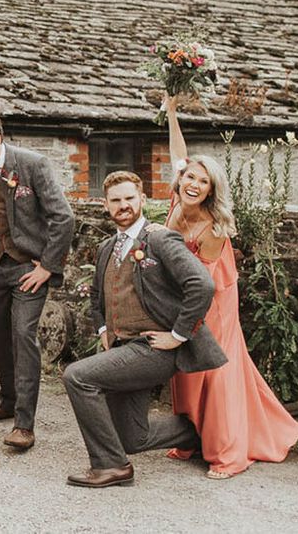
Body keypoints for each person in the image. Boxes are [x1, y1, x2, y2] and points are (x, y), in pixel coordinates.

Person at [163, 97, 298, 479]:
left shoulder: (213, 227)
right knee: (184, 370)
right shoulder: (178, 198)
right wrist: (171, 111)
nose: (193, 183)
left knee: (214, 367)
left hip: (213, 300)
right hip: (185, 294)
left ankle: (229, 454)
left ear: (211, 190)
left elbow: (201, 282)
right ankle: (189, 438)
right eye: (189, 177)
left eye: (202, 181)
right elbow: (180, 152)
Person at [63, 170, 226, 488]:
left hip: (154, 349)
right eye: (116, 200)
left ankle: (111, 466)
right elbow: (98, 297)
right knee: (132, 438)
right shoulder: (107, 247)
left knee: (78, 376)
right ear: (105, 205)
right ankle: (195, 433)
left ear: (142, 200)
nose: (123, 205)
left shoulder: (160, 238)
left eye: (129, 198)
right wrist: (102, 331)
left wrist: (178, 335)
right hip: (124, 349)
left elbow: (201, 284)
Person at [0, 111, 74, 450]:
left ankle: (24, 424)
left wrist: (47, 266)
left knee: (22, 335)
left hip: (27, 267)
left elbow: (62, 217)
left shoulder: (32, 164)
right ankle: (7, 401)